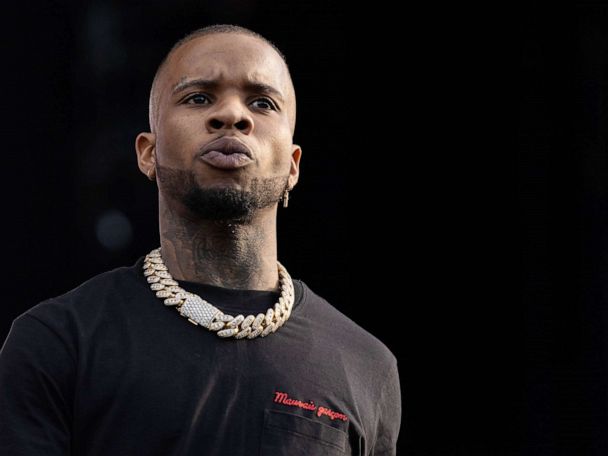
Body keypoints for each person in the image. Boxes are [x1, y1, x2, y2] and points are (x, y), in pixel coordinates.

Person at [0, 25, 401, 455]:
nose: (232, 115)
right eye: (198, 98)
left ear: (293, 166)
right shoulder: (58, 343)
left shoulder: (364, 365)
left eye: (262, 103)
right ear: (148, 153)